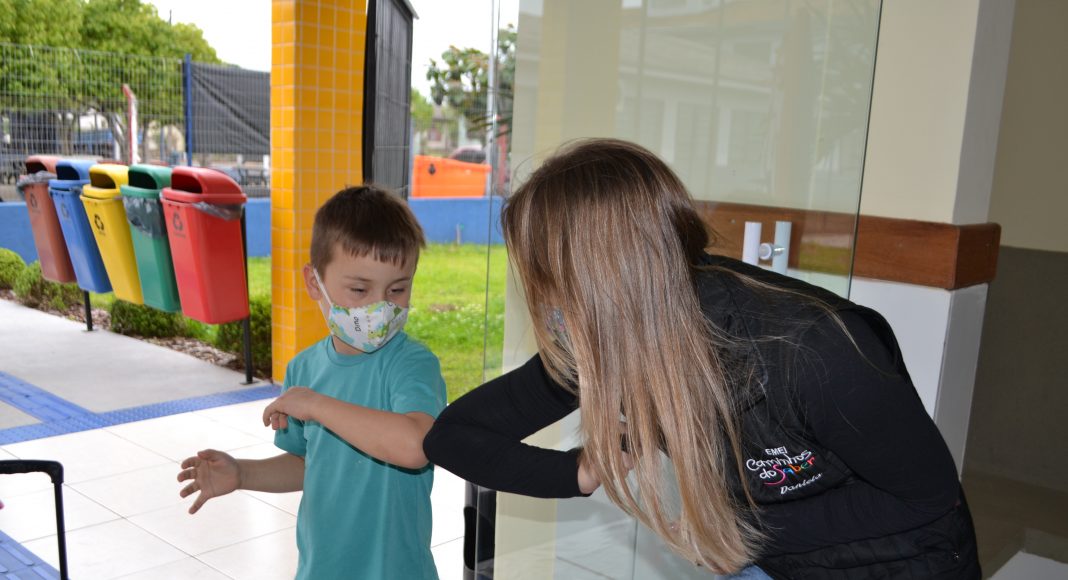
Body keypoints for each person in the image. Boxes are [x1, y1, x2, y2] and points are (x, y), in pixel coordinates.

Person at [422, 138, 980, 579]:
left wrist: (742, 532)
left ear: (603, 283)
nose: (545, 304)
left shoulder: (815, 349)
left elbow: (926, 496)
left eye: (549, 281)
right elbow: (453, 436)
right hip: (770, 557)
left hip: (900, 559)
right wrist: (579, 471)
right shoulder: (608, 339)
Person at [178, 186, 447, 579]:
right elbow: (308, 464)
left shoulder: (411, 364)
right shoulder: (304, 370)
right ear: (314, 283)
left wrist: (317, 406)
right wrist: (243, 474)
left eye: (398, 289)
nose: (380, 306)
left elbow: (415, 446)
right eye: (360, 289)